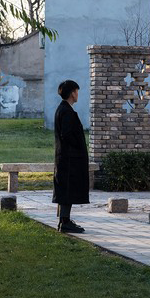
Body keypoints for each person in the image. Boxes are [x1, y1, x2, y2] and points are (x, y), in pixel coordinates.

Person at [53, 79, 89, 233]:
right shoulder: (66, 111)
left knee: (66, 188)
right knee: (67, 189)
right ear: (72, 93)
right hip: (69, 158)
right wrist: (78, 147)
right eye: (77, 91)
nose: (78, 94)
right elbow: (67, 134)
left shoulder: (63, 109)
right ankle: (65, 222)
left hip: (66, 157)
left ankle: (64, 220)